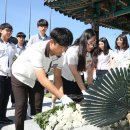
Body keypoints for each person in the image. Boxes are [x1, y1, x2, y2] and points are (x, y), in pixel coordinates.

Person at [11, 27, 74, 130]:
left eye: (65, 48)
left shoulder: (60, 56)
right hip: (20, 75)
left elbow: (57, 77)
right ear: (52, 42)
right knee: (21, 106)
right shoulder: (37, 49)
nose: (63, 51)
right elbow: (42, 78)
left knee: (37, 107)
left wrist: (62, 96)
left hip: (36, 78)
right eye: (61, 47)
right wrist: (62, 97)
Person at [61, 29, 97, 103]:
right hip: (67, 79)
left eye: (94, 44)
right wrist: (84, 90)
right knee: (71, 104)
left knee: (81, 101)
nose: (91, 46)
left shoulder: (88, 54)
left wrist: (91, 89)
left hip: (79, 78)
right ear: (84, 40)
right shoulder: (72, 51)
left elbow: (90, 72)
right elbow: (75, 73)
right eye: (90, 43)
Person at [26, 19, 50, 118]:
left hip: (44, 68)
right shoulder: (33, 38)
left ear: (47, 27)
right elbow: (28, 51)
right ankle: (31, 111)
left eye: (45, 26)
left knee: (40, 91)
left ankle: (38, 113)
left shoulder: (50, 39)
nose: (43, 28)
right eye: (41, 26)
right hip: (33, 68)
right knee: (32, 90)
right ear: (37, 27)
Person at [0, 23, 16, 124]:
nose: (9, 32)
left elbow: (15, 58)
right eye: (7, 30)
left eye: (10, 30)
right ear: (1, 30)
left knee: (6, 97)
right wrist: (2, 68)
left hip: (9, 75)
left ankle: (2, 116)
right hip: (0, 74)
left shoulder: (12, 45)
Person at [11, 32, 26, 108]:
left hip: (23, 70)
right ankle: (13, 102)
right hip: (14, 69)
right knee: (14, 86)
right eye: (20, 37)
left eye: (23, 37)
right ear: (17, 38)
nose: (21, 39)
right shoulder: (13, 47)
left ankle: (21, 102)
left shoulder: (26, 49)